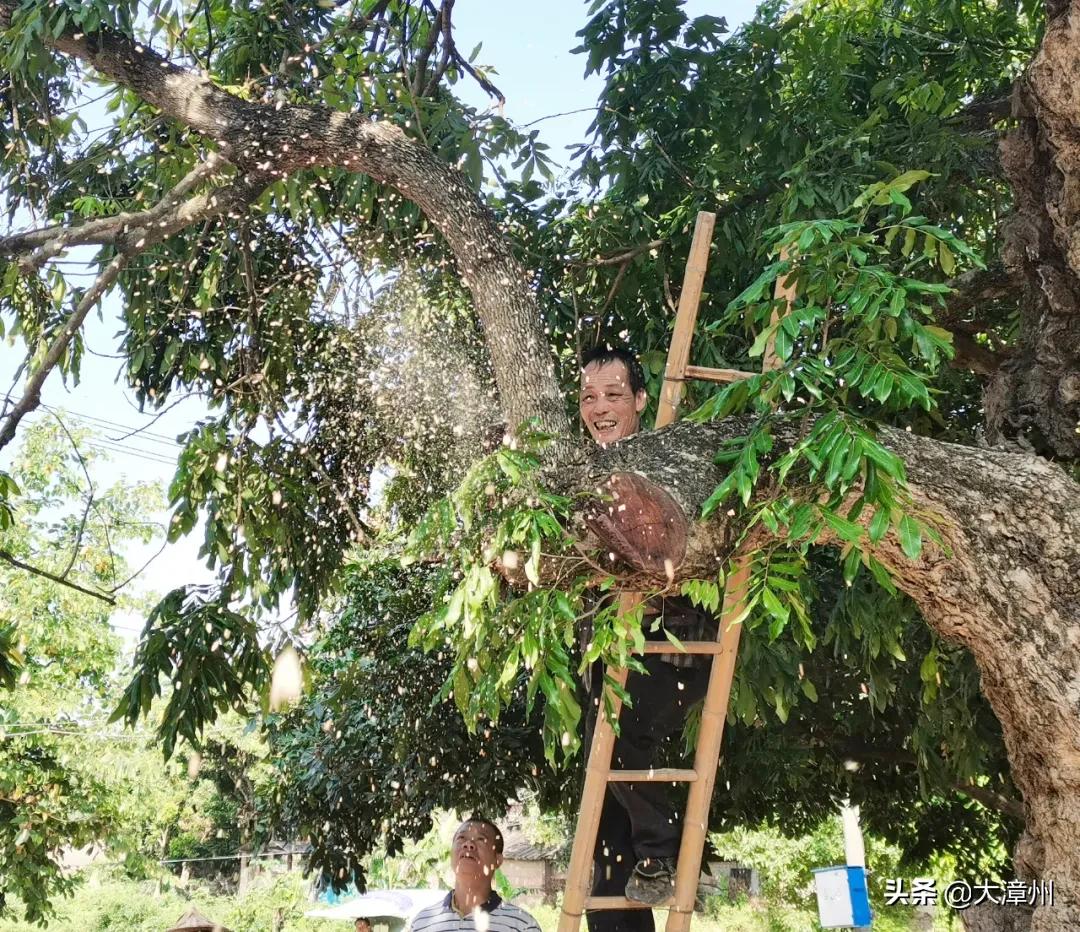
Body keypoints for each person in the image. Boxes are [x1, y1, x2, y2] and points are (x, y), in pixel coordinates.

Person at [578, 344, 717, 931]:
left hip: (671, 639)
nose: (600, 408)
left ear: (639, 399)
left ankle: (663, 852)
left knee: (617, 729)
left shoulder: (665, 459)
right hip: (610, 646)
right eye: (588, 397)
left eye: (613, 395)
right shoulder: (581, 473)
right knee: (602, 833)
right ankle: (635, 875)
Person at [410, 817, 541, 931]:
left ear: (497, 860)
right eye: (461, 838)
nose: (468, 844)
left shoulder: (523, 926)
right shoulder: (422, 923)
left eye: (480, 839)